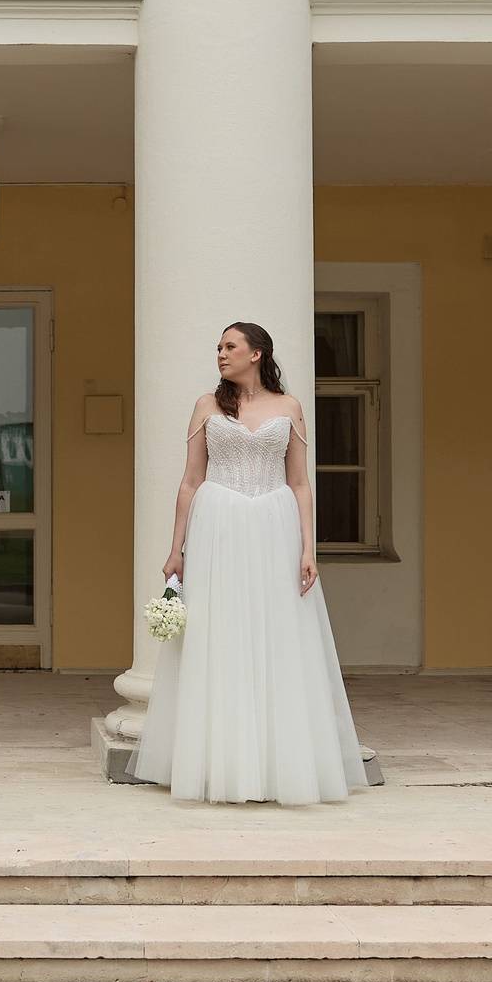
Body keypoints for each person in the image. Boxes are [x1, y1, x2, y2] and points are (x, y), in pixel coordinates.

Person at [128, 322, 367, 805]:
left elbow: (299, 483)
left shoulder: (290, 407)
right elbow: (190, 481)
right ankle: (220, 764)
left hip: (275, 527)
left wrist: (308, 549)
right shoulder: (207, 405)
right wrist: (176, 549)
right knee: (220, 634)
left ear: (256, 354)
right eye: (218, 347)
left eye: (230, 346)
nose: (220, 354)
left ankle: (279, 765)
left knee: (277, 634)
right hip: (217, 525)